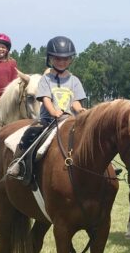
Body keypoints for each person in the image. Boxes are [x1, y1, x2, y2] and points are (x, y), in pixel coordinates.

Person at [7, 35, 86, 181]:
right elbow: (46, 99)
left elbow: (75, 102)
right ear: (50, 59)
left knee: (90, 137)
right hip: (48, 119)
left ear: (70, 60)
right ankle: (18, 162)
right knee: (30, 133)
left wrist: (80, 110)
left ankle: (106, 167)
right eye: (57, 58)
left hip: (70, 120)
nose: (61, 62)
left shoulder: (74, 81)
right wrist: (53, 112)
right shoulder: (46, 79)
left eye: (65, 59)